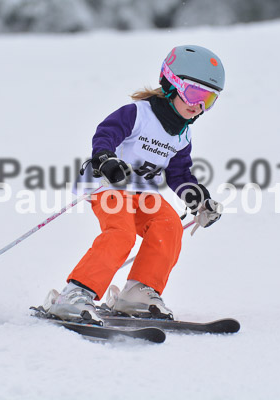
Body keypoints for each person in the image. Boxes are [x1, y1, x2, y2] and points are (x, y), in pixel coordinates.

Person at [44, 45, 225, 323]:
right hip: (107, 185)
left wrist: (198, 200)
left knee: (169, 225)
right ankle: (75, 293)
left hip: (142, 193)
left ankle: (138, 291)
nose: (198, 105)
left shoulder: (182, 136)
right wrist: (106, 159)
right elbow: (106, 134)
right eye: (194, 94)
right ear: (171, 84)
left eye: (208, 100)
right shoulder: (138, 114)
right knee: (122, 234)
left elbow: (179, 175)